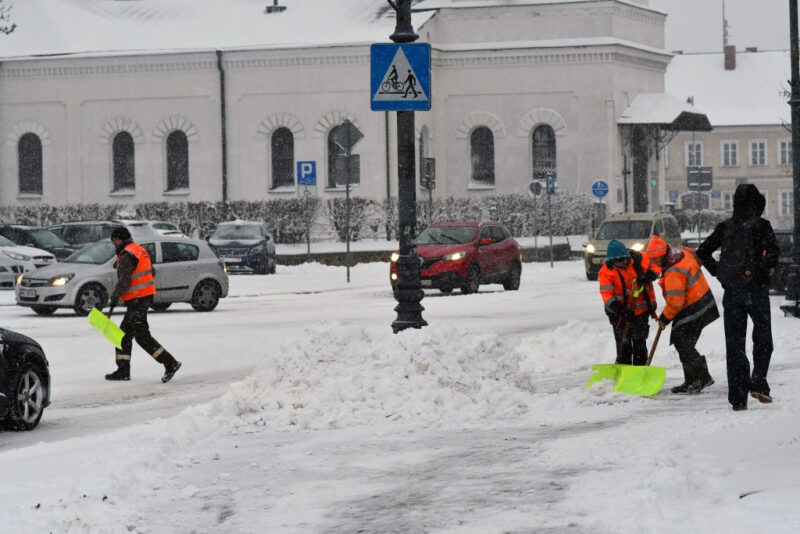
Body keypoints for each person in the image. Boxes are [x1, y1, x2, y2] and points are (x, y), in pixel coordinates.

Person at [696, 183, 779, 411]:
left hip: (732, 293)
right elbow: (773, 253)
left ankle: (738, 397)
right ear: (757, 203)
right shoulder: (762, 226)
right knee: (763, 338)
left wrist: (720, 273)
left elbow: (702, 252)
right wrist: (764, 266)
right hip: (757, 290)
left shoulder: (725, 227)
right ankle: (759, 382)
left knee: (735, 345)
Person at [103, 226, 182, 383]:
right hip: (143, 298)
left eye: (115, 240)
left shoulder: (126, 254)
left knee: (124, 335)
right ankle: (167, 363)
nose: (114, 243)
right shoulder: (139, 250)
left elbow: (125, 280)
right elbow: (151, 271)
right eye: (113, 241)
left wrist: (114, 296)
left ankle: (125, 370)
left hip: (137, 300)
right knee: (138, 336)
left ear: (121, 239)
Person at [645, 236, 718, 393]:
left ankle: (699, 379)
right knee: (684, 342)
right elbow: (694, 255)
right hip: (701, 299)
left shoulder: (673, 270)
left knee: (683, 342)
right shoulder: (680, 253)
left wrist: (665, 318)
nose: (654, 263)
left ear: (662, 255)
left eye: (655, 259)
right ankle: (695, 379)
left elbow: (676, 302)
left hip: (695, 306)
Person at [598, 239, 659, 366]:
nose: (621, 263)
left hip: (641, 311)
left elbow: (656, 264)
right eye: (617, 261)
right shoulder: (606, 272)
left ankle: (639, 370)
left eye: (623, 259)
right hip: (618, 313)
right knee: (623, 343)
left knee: (639, 342)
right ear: (611, 261)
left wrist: (649, 274)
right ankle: (623, 369)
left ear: (627, 256)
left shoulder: (638, 259)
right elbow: (607, 294)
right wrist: (620, 310)